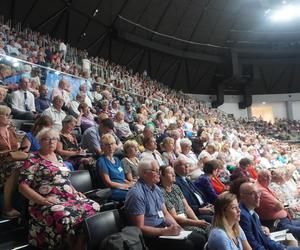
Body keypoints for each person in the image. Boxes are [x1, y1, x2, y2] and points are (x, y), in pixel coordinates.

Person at [19, 128, 100, 249]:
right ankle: (69, 243)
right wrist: (42, 200)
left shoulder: (59, 158)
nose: (52, 142)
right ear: (40, 141)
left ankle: (77, 244)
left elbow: (64, 180)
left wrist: (75, 191)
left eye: (55, 139)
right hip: (47, 200)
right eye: (47, 139)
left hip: (69, 197)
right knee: (64, 216)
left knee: (94, 206)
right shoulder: (32, 159)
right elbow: (22, 186)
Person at [125, 159, 207, 250]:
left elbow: (165, 214)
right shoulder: (137, 194)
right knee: (188, 245)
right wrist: (164, 231)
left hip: (163, 228)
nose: (159, 174)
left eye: (159, 171)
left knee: (200, 239)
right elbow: (139, 228)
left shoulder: (156, 188)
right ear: (144, 173)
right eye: (155, 171)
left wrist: (179, 228)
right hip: (149, 237)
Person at [239, 182, 300, 250]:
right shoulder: (243, 216)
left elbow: (265, 238)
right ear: (242, 196)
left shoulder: (251, 211)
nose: (258, 196)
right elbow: (254, 245)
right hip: (277, 226)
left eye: (258, 192)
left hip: (271, 241)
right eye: (252, 193)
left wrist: (282, 248)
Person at [159, 165, 210, 235]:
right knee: (202, 232)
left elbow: (187, 207)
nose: (174, 174)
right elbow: (174, 216)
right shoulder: (161, 191)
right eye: (170, 173)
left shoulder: (175, 187)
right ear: (162, 175)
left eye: (173, 172)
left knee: (209, 227)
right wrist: (196, 223)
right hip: (179, 224)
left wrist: (197, 221)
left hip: (187, 219)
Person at [255, 170, 300, 240]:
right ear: (259, 177)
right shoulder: (260, 190)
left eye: (269, 176)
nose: (268, 179)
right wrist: (280, 204)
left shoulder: (265, 186)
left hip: (284, 220)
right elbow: (280, 205)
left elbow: (281, 200)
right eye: (265, 177)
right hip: (277, 224)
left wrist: (280, 204)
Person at [174, 158, 214, 222]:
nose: (187, 166)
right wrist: (199, 210)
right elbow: (184, 205)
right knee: (217, 219)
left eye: (187, 164)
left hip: (203, 207)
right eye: (183, 165)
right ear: (176, 168)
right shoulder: (176, 183)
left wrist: (207, 205)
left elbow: (198, 193)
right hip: (195, 213)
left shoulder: (186, 179)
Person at [0, 105, 21, 218]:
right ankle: (7, 207)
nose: (9, 118)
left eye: (10, 115)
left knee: (28, 166)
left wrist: (18, 149)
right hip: (2, 163)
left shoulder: (11, 131)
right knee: (16, 167)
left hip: (11, 160)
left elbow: (17, 146)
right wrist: (5, 153)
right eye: (6, 115)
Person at [96, 134, 131, 201]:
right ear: (102, 147)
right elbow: (108, 183)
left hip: (123, 187)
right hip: (112, 191)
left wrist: (130, 184)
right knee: (135, 194)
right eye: (106, 144)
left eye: (112, 144)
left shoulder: (117, 160)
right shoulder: (101, 161)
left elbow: (122, 179)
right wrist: (126, 186)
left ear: (115, 145)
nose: (110, 146)